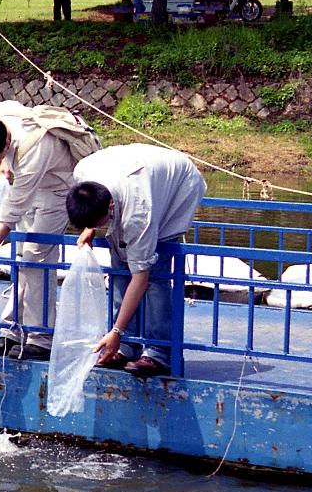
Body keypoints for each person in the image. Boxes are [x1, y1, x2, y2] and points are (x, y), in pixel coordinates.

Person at [0, 101, 102, 360]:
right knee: (21, 255)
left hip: (58, 191)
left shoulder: (33, 149)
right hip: (33, 189)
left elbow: (9, 215)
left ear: (5, 144)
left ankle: (41, 336)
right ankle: (13, 329)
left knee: (36, 258)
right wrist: (4, 165)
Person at [66, 144, 207, 377]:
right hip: (136, 169)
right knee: (120, 268)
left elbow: (140, 278)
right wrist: (90, 227)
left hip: (177, 186)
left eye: (99, 222)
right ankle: (126, 346)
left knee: (154, 275)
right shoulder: (83, 174)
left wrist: (115, 329)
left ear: (110, 207)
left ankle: (158, 352)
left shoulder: (138, 214)